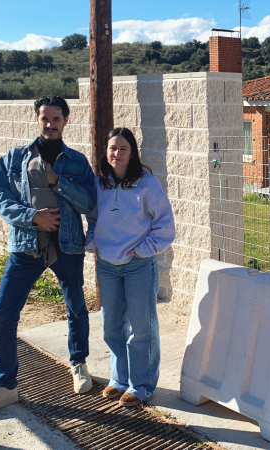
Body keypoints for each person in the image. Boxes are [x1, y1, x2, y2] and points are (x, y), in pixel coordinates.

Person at [0, 96, 97, 416]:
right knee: (2, 317)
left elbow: (90, 204)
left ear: (66, 120)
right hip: (25, 248)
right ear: (37, 120)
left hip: (67, 247)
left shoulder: (78, 162)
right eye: (45, 118)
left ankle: (79, 364)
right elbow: (1, 199)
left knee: (76, 309)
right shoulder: (13, 159)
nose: (50, 124)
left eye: (56, 118)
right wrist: (32, 217)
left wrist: (58, 182)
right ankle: (6, 387)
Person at [85, 127, 175, 407]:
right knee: (112, 326)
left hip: (138, 266)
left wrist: (141, 251)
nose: (117, 153)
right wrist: (93, 244)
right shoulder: (99, 184)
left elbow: (165, 225)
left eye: (123, 148)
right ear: (106, 152)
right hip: (107, 266)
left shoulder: (148, 184)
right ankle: (119, 380)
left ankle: (142, 385)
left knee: (141, 327)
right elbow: (93, 219)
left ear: (132, 153)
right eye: (113, 148)